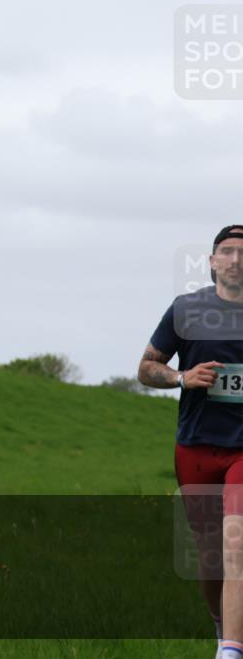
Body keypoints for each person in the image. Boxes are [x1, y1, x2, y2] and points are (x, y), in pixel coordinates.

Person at [139, 225, 243, 659]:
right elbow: (146, 367)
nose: (237, 259)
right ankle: (221, 622)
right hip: (197, 446)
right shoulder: (186, 310)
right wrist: (183, 377)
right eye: (228, 251)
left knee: (238, 541)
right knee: (210, 556)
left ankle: (231, 648)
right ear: (212, 262)